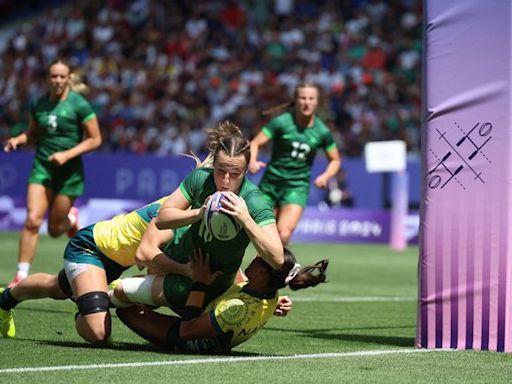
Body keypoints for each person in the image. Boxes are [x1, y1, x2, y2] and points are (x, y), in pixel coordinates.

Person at [0, 196, 183, 342]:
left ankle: (4, 299)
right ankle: (79, 305)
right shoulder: (178, 209)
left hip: (115, 261)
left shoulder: (192, 208)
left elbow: (153, 273)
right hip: (89, 247)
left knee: (55, 286)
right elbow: (145, 256)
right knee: (98, 332)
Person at [151, 120, 284, 312]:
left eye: (235, 173)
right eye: (220, 171)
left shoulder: (254, 201)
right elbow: (161, 220)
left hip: (218, 291)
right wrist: (199, 213)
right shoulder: (200, 179)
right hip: (174, 272)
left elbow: (277, 259)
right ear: (214, 165)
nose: (226, 180)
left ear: (245, 172)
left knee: (188, 337)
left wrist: (245, 219)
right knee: (117, 297)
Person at [3, 59, 103, 287]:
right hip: (43, 167)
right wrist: (19, 139)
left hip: (69, 173)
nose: (57, 80)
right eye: (53, 76)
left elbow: (95, 139)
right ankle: (21, 275)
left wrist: (67, 155)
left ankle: (69, 220)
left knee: (55, 229)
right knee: (32, 220)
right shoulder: (39, 104)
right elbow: (33, 133)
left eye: (61, 76)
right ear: (48, 79)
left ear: (68, 79)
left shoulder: (80, 105)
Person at [115, 248, 328, 354]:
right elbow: (243, 285)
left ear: (263, 273)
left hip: (192, 340)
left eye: (257, 259)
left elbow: (186, 331)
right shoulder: (269, 293)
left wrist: (199, 282)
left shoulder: (236, 309)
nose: (253, 258)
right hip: (207, 315)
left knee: (127, 311)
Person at [248, 82, 341, 245]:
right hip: (270, 184)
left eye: (311, 98)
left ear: (317, 101)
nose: (307, 102)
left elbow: (335, 160)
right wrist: (252, 162)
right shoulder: (281, 122)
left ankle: (271, 268)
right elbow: (255, 143)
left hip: (296, 187)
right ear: (296, 100)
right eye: (303, 98)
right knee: (262, 234)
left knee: (283, 235)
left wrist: (326, 176)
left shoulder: (322, 131)